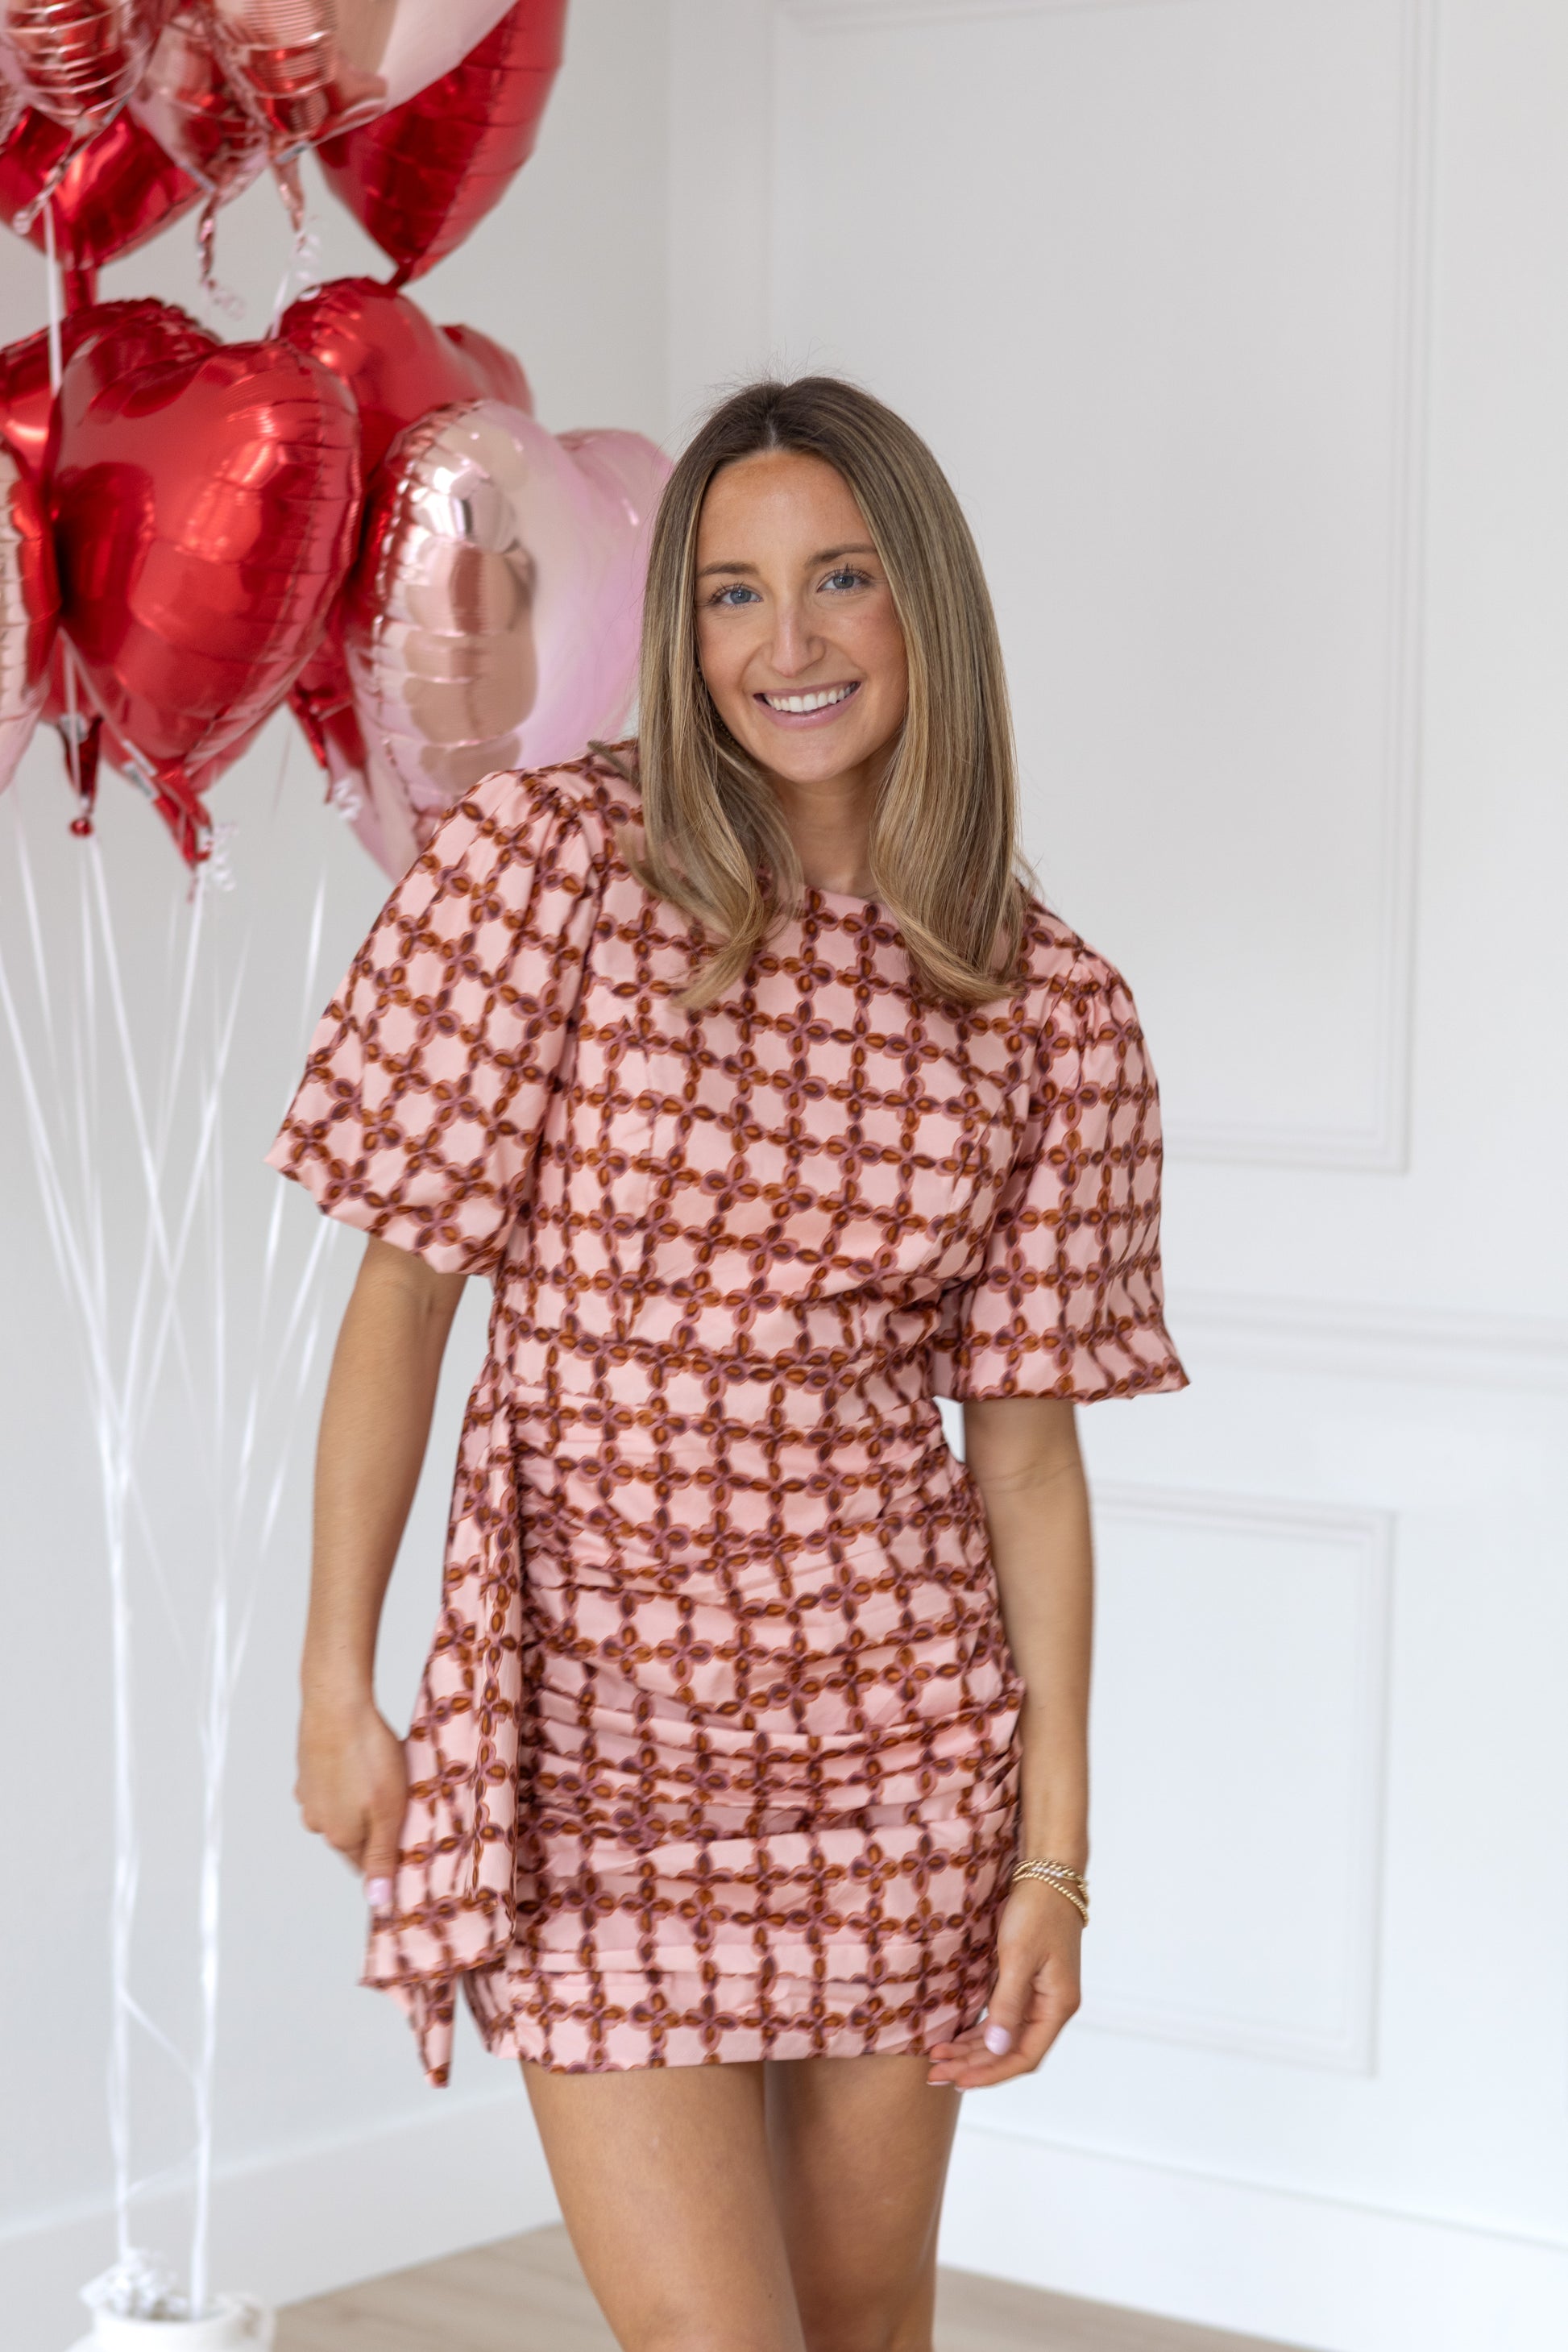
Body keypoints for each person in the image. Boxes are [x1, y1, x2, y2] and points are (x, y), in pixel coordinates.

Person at [268, 375, 1186, 2352]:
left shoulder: (1050, 1011)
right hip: (589, 1750)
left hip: (899, 1744)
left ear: (923, 603)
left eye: (840, 578)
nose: (788, 644)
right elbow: (404, 1296)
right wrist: (337, 1679)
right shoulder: (544, 872)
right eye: (730, 592)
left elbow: (1025, 1455)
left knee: (863, 2330)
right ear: (681, 631)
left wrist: (1053, 1852)